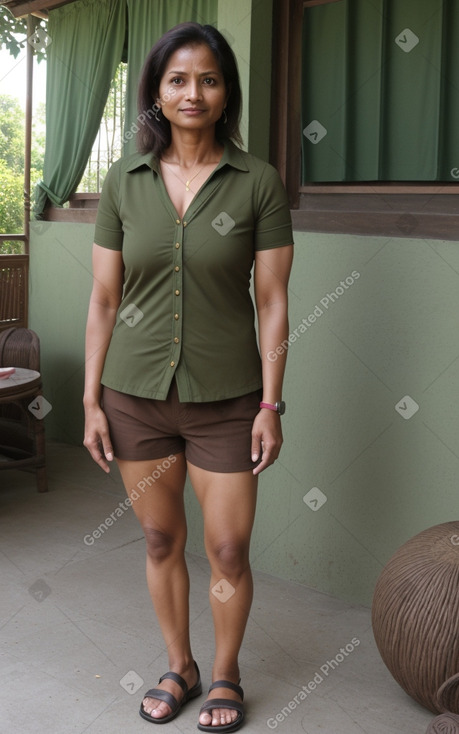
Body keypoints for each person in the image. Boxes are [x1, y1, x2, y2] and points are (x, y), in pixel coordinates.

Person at [83, 21, 293, 732]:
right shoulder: (123, 180)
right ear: (157, 92)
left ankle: (227, 672)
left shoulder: (257, 181)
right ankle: (181, 665)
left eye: (207, 78)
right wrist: (88, 400)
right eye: (177, 79)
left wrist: (270, 403)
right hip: (134, 399)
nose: (192, 92)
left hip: (228, 401)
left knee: (228, 547)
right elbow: (105, 299)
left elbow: (271, 302)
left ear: (225, 90)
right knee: (160, 540)